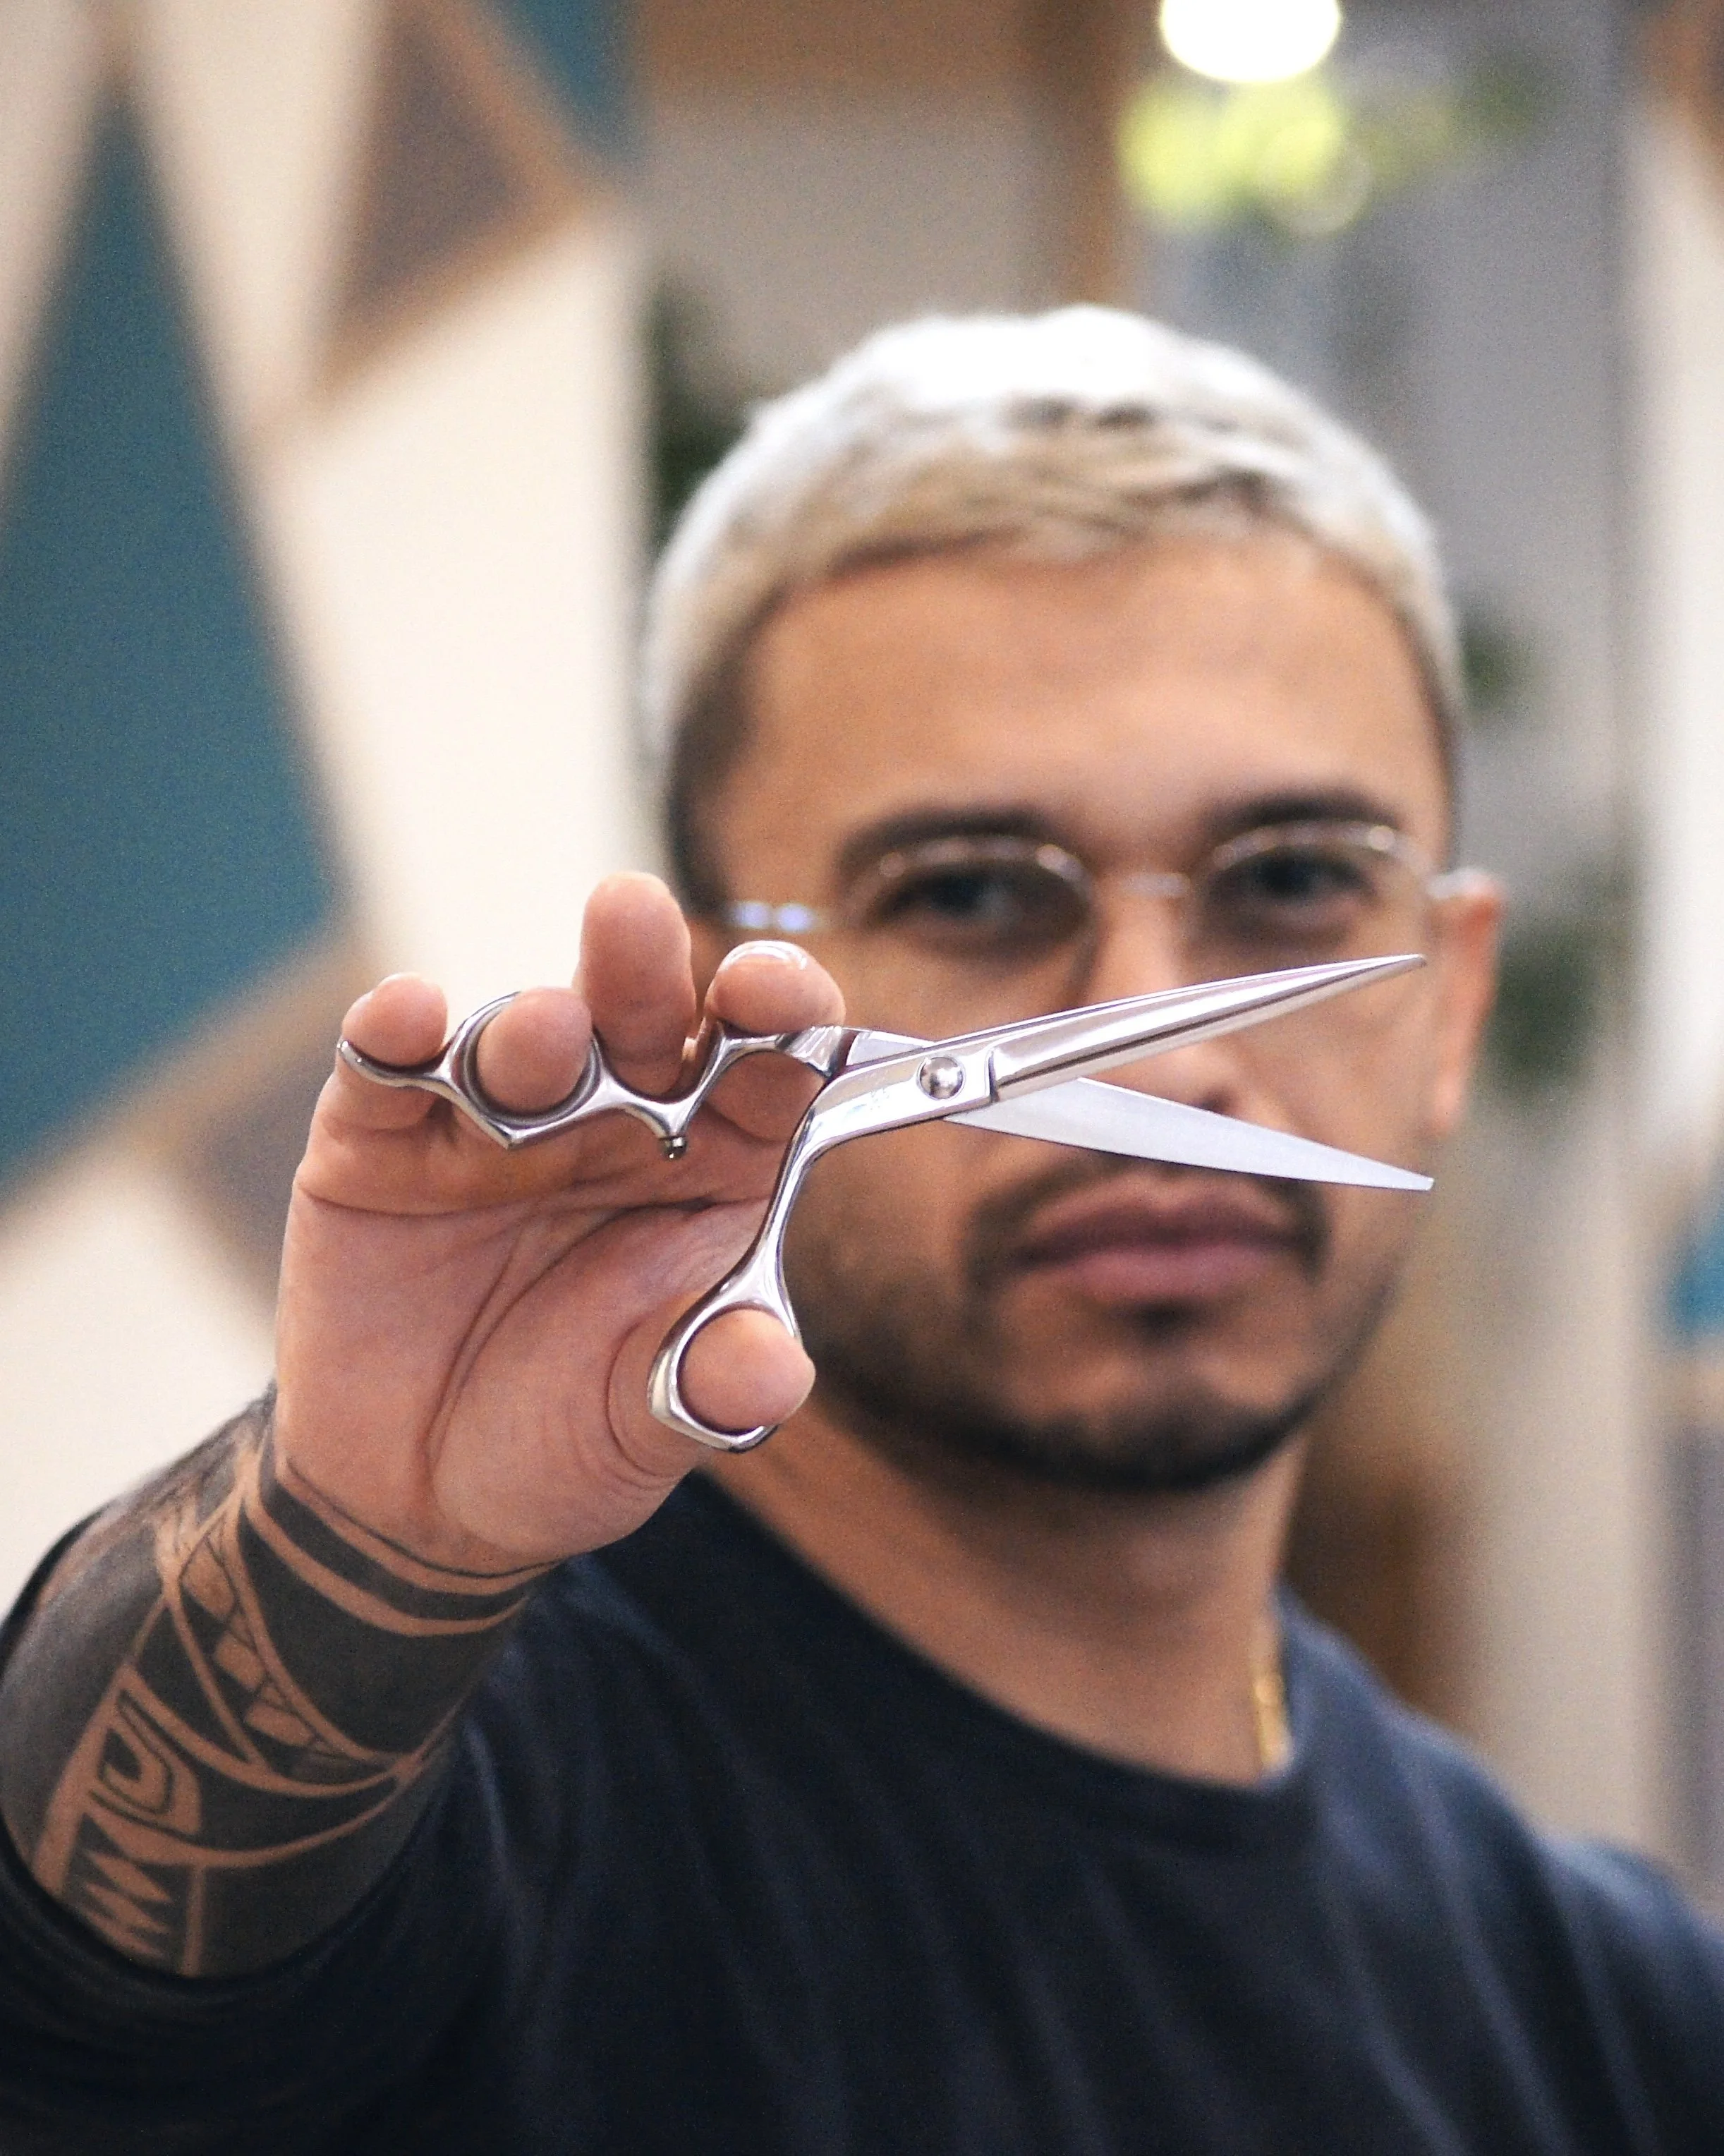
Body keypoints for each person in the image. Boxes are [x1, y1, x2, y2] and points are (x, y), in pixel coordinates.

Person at [0, 305, 1717, 2155]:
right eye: (969, 889)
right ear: (737, 990)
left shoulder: (1604, 2018)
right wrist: (350, 1542)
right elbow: (88, 1992)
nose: (1176, 1035)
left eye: (1290, 884)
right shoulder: (475, 1809)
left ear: (1448, 1006)